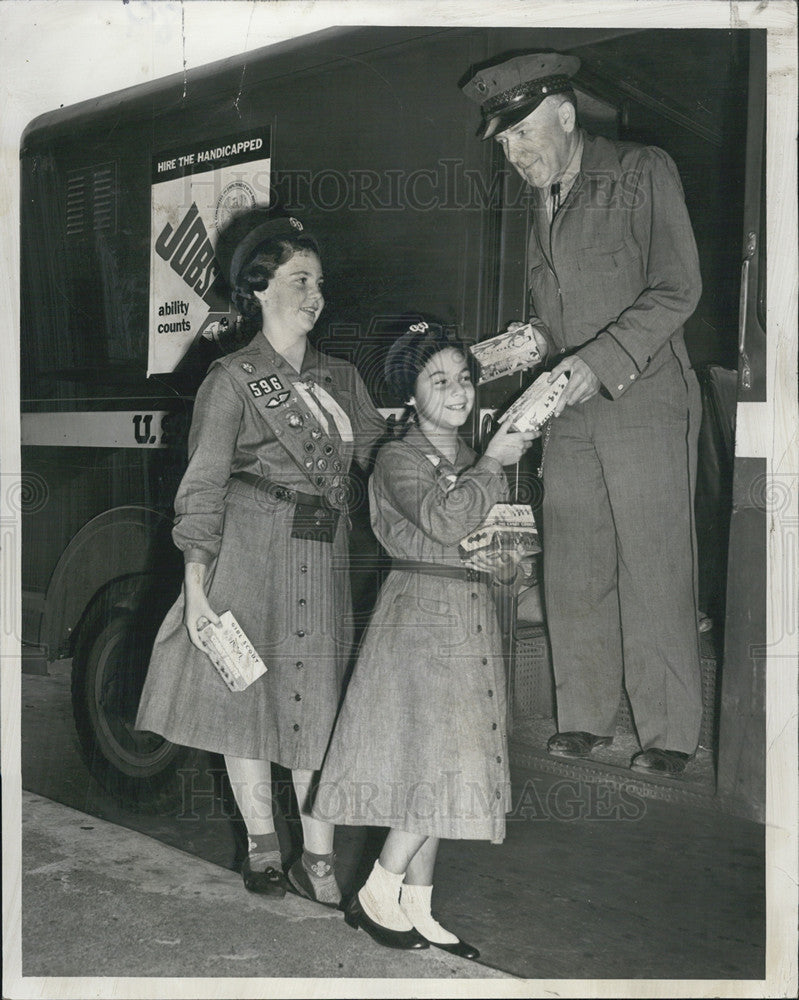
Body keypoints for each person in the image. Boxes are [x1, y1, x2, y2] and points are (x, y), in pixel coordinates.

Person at [462, 52, 704, 778]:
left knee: (652, 564)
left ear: (565, 116)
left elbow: (675, 289)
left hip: (643, 397)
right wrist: (505, 351)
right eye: (504, 143)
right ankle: (585, 717)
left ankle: (667, 731)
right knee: (574, 563)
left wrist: (594, 361)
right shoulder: (539, 200)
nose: (515, 153)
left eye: (524, 133)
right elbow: (556, 317)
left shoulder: (640, 170)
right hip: (567, 407)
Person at [136, 214, 385, 904]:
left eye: (319, 283)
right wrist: (196, 587)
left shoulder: (340, 378)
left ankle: (320, 859)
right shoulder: (231, 379)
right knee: (244, 699)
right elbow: (204, 486)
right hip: (247, 549)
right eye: (299, 280)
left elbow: (379, 461)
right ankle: (263, 848)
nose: (315, 295)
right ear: (259, 289)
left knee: (317, 705)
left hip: (321, 548)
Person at [314, 321, 537, 956]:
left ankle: (418, 905)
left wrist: (509, 563)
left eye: (464, 378)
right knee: (432, 763)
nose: (458, 392)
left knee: (437, 765)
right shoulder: (397, 458)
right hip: (419, 615)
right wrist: (495, 462)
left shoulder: (470, 461)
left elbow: (493, 541)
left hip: (468, 610)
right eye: (438, 381)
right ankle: (379, 889)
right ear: (411, 395)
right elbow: (443, 521)